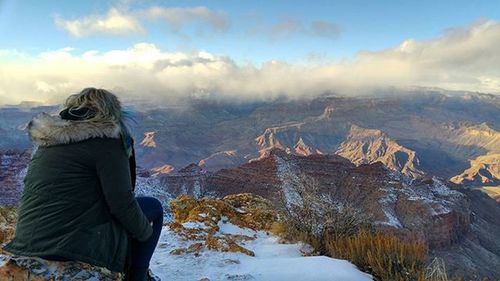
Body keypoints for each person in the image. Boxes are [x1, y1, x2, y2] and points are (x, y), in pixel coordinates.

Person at [2, 88, 163, 281]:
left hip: (28, 241)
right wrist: (145, 234)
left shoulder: (48, 141)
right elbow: (122, 203)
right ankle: (138, 277)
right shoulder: (106, 142)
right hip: (70, 246)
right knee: (153, 208)